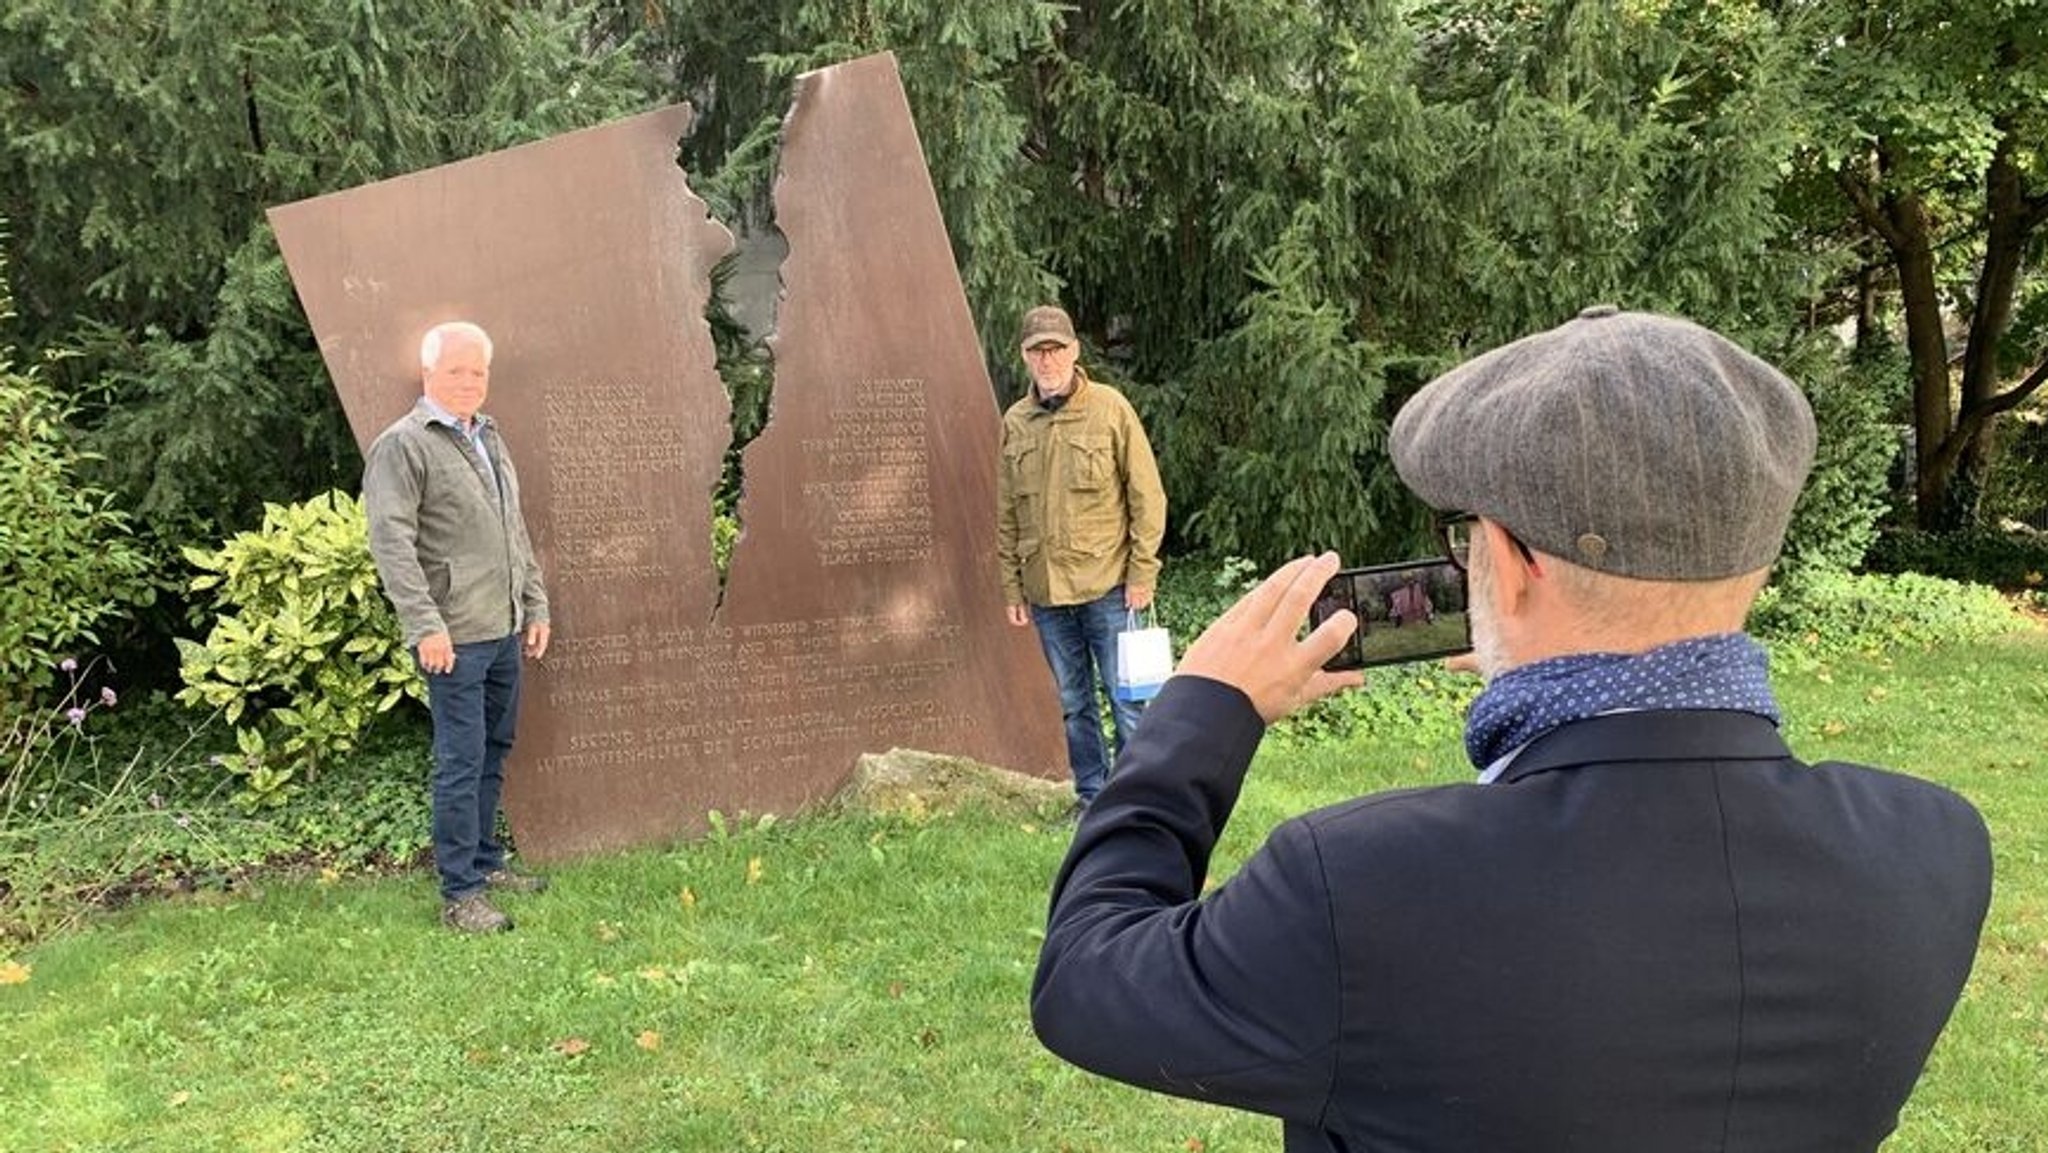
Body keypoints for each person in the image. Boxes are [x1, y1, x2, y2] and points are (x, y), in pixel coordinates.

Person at [1030, 306, 1992, 1151]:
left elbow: (1085, 975)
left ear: (1504, 560)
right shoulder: (1935, 850)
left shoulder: (1359, 888)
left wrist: (1203, 711)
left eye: (1465, 539)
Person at [364, 320, 553, 934]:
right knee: (460, 758)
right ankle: (460, 894)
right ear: (429, 375)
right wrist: (426, 626)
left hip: (502, 628)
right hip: (454, 636)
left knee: (494, 751)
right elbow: (391, 543)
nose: (469, 382)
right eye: (456, 372)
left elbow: (513, 529)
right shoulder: (404, 443)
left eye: (478, 372)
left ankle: (485, 861)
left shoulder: (488, 436)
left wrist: (535, 604)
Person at [997, 304, 1167, 810]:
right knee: (1074, 706)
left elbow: (1147, 496)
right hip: (1047, 593)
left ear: (1074, 351)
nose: (1047, 361)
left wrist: (1143, 572)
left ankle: (1136, 804)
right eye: (1037, 351)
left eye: (1056, 349)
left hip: (1110, 586)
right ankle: (1092, 800)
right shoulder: (1015, 421)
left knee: (1129, 701)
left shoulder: (1110, 409)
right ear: (1025, 358)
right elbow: (1006, 510)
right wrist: (1012, 585)